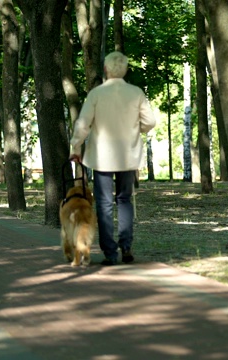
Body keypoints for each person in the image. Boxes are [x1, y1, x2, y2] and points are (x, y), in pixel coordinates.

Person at [69, 51, 157, 266]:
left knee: (105, 203)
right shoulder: (136, 93)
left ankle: (110, 253)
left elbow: (83, 124)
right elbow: (151, 121)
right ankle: (126, 246)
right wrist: (139, 128)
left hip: (102, 157)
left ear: (106, 70)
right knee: (125, 200)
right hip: (128, 155)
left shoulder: (96, 93)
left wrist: (76, 147)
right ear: (125, 70)